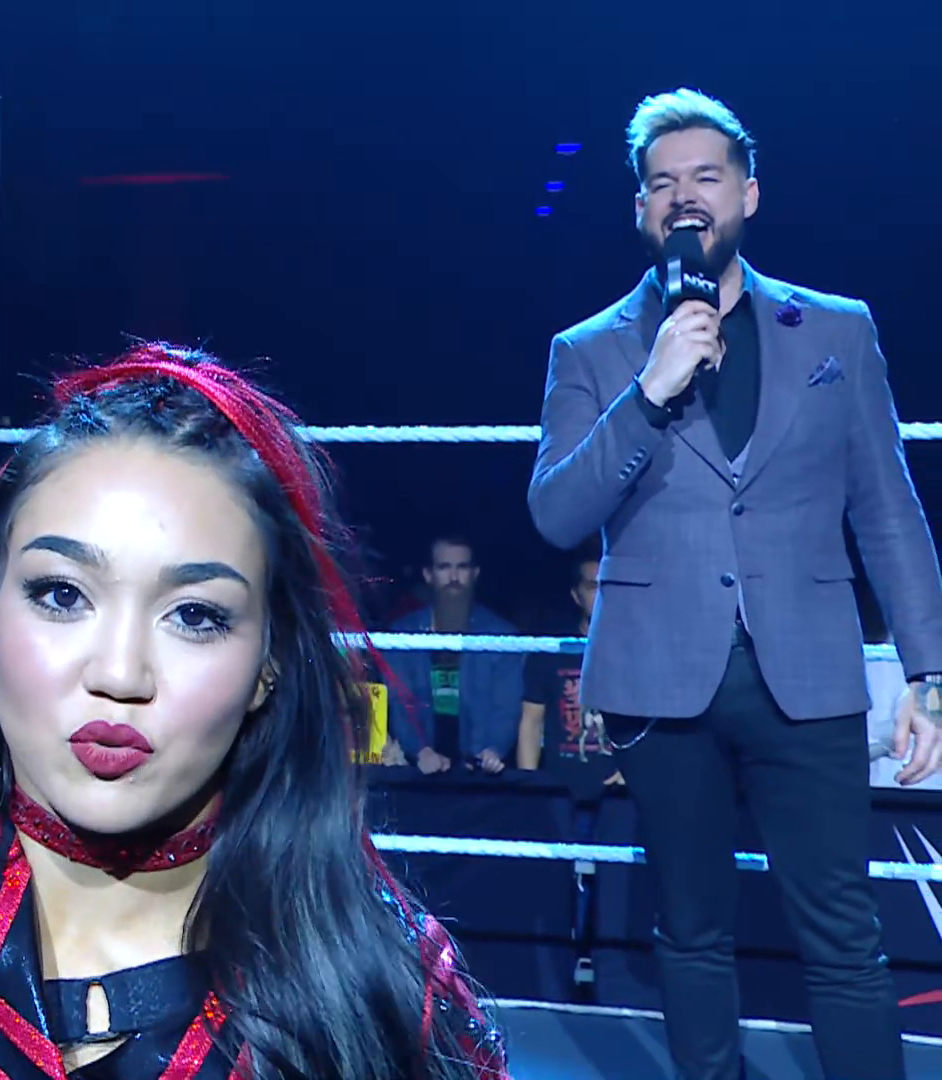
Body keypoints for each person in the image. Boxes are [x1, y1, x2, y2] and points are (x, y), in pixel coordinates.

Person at [0, 344, 510, 1078]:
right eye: (62, 594)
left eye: (194, 615)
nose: (119, 674)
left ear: (270, 666)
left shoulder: (392, 996)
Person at [528, 87, 942, 1080]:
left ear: (748, 194)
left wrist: (928, 674)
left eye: (705, 177)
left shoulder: (836, 330)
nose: (684, 196)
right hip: (657, 678)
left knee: (842, 929)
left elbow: (888, 507)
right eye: (661, 183)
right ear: (640, 209)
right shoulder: (591, 349)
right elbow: (555, 513)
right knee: (690, 927)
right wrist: (650, 392)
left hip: (810, 672)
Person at [386, 536, 523, 776]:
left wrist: (493, 750)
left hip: (480, 773)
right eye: (444, 567)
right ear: (428, 575)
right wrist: (420, 751)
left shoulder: (503, 638)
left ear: (475, 573)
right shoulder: (401, 636)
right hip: (419, 771)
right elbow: (401, 704)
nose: (453, 577)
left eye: (462, 567)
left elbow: (506, 707)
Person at [515, 555, 623, 805]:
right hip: (559, 788)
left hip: (619, 788)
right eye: (592, 587)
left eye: (607, 586)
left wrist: (635, 772)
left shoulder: (638, 652)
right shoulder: (551, 651)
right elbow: (531, 721)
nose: (601, 595)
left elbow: (651, 723)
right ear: (576, 596)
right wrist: (528, 785)